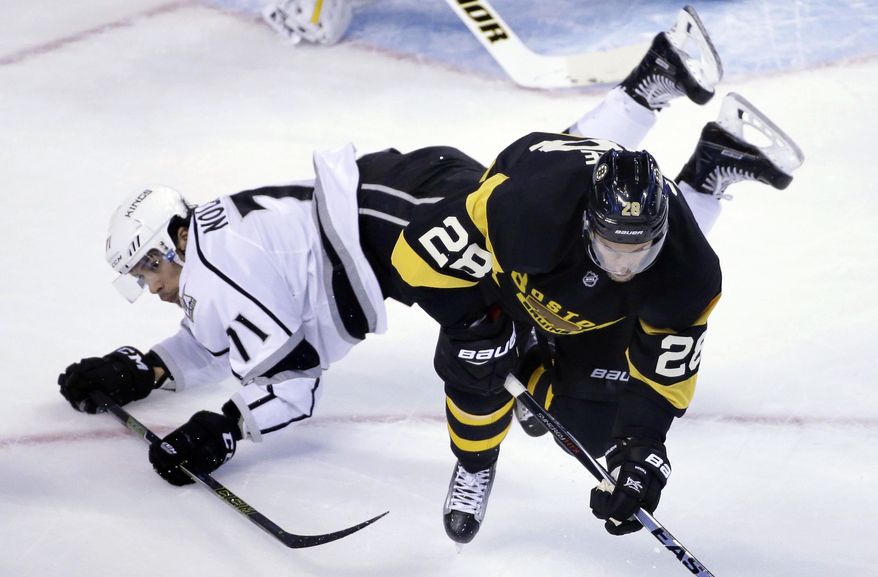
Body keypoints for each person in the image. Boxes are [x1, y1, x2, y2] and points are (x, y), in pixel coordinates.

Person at [56, 6, 801, 499]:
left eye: (146, 270)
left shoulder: (216, 268)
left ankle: (674, 111)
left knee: (568, 273)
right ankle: (685, 120)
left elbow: (286, 375)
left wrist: (225, 423)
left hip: (394, 218)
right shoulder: (215, 255)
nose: (151, 286)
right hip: (397, 215)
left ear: (167, 244)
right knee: (561, 273)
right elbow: (235, 337)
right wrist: (149, 368)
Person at [388, 7, 804, 544]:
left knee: (593, 429)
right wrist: (473, 325)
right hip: (517, 261)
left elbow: (665, 379)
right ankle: (474, 461)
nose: (625, 267)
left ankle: (697, 148)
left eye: (643, 249)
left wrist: (644, 452)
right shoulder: (523, 213)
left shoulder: (689, 270)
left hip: (583, 283)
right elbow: (413, 258)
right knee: (475, 370)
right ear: (587, 226)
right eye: (612, 248)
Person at [263, 0, 352, 46]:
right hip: (330, 28)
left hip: (320, 29)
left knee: (269, 11)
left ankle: (290, 34)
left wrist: (290, 36)